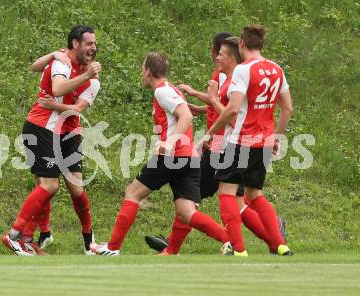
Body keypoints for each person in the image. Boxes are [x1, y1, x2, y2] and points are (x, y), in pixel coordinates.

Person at [146, 37, 284, 256]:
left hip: (224, 148)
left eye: (220, 52)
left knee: (190, 198)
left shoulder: (234, 80)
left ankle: (180, 247)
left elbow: (233, 116)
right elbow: (226, 109)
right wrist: (203, 104)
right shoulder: (232, 78)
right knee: (239, 203)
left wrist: (209, 126)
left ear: (230, 56)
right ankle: (275, 239)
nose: (216, 56)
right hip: (235, 146)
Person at [90, 52, 232, 256]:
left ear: (147, 71)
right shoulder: (170, 89)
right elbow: (185, 112)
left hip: (172, 156)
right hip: (189, 158)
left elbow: (186, 116)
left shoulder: (162, 91)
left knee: (133, 193)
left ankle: (112, 248)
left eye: (142, 69)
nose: (142, 73)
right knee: (186, 212)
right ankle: (230, 240)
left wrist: (170, 141)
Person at [1, 25, 101, 256]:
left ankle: (89, 241)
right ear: (75, 44)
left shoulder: (93, 81)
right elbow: (56, 87)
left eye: (95, 44)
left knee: (75, 189)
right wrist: (56, 57)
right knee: (48, 185)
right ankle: (16, 235)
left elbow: (77, 109)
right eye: (89, 44)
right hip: (42, 127)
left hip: (69, 132)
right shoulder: (62, 63)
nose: (93, 48)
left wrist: (58, 104)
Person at [206, 24, 293, 256]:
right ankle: (280, 244)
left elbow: (233, 109)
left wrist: (211, 132)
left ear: (242, 44)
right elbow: (287, 109)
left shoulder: (244, 70)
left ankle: (239, 249)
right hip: (263, 142)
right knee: (255, 194)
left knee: (226, 191)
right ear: (262, 46)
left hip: (240, 141)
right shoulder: (276, 69)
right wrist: (276, 137)